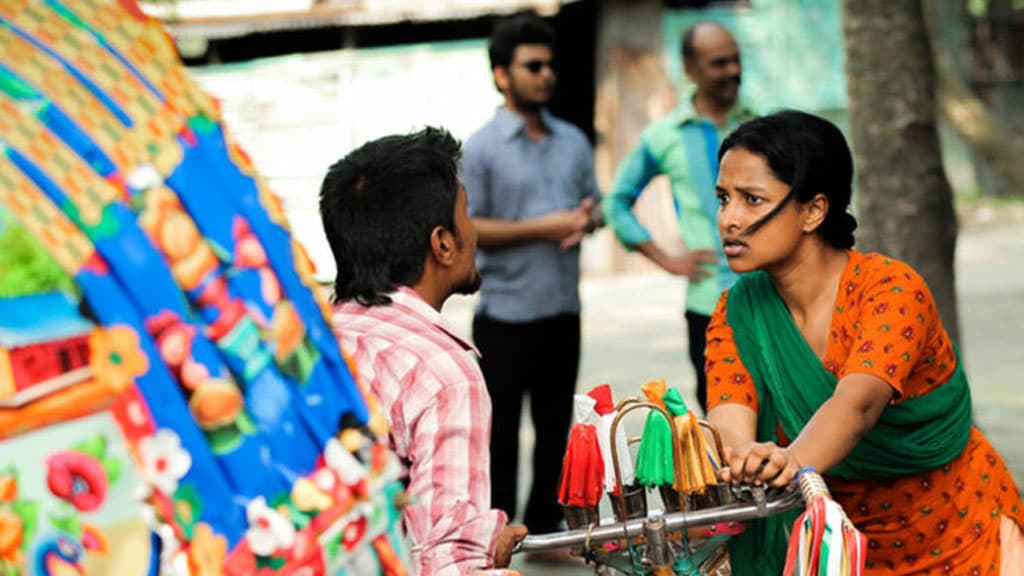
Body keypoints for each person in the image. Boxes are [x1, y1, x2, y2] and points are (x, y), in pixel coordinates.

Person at [704, 110, 1024, 575]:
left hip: (956, 532)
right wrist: (744, 461)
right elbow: (729, 424)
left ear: (813, 210)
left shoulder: (890, 290)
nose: (729, 219)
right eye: (723, 198)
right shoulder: (737, 312)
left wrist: (788, 462)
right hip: (838, 549)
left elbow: (856, 406)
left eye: (752, 200)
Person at [320, 127, 528, 575]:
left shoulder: (313, 340)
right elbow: (446, 561)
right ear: (443, 244)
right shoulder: (443, 373)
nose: (473, 230)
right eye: (467, 214)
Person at [460, 11, 602, 543]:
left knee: (555, 433)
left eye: (550, 65)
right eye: (532, 65)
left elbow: (598, 207)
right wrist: (545, 226)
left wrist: (585, 219)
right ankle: (492, 538)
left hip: (562, 309)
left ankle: (544, 527)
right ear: (502, 74)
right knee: (497, 438)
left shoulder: (572, 141)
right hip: (505, 315)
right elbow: (467, 229)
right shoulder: (481, 148)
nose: (546, 75)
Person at [602, 21, 755, 414]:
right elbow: (616, 202)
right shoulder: (665, 136)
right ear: (691, 70)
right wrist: (666, 260)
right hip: (707, 308)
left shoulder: (761, 125)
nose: (732, 71)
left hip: (774, 298)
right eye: (719, 63)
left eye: (735, 60)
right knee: (723, 428)